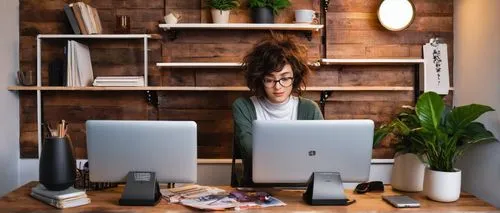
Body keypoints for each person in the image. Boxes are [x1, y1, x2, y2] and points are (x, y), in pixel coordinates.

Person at [232, 35, 323, 185]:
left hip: (300, 190)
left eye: (285, 78)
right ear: (259, 79)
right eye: (269, 80)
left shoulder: (309, 108)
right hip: (256, 191)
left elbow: (320, 155)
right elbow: (250, 155)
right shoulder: (243, 107)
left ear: (295, 78)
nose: (278, 86)